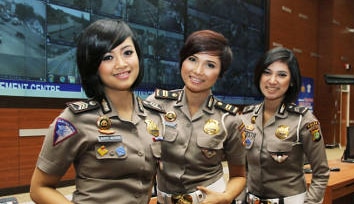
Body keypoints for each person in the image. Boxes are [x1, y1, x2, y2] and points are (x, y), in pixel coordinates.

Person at [29, 19, 163, 204]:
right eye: (108, 57)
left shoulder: (154, 117)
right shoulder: (75, 120)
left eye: (128, 53)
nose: (121, 64)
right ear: (93, 65)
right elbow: (39, 188)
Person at [147, 30, 246, 204]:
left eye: (210, 65)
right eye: (192, 59)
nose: (198, 71)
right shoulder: (157, 104)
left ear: (220, 72)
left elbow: (239, 175)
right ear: (182, 61)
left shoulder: (229, 119)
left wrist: (226, 197)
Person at [240, 47, 330, 204]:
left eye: (281, 75)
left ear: (292, 81)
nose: (272, 80)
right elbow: (243, 169)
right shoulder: (246, 118)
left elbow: (321, 173)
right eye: (267, 72)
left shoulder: (304, 120)